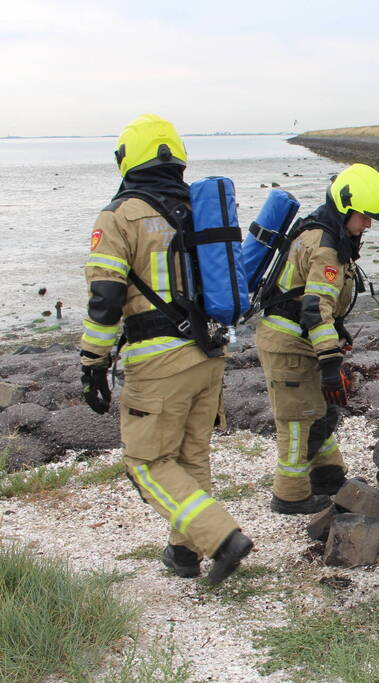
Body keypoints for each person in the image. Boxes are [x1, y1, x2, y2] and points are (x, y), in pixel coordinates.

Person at [80, 113, 251, 584]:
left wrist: (93, 362)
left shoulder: (118, 217)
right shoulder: (199, 209)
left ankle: (221, 538)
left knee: (147, 462)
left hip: (158, 362)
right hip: (210, 354)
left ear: (127, 160)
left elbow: (105, 299)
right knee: (191, 456)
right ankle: (184, 554)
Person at [255, 163, 379, 514]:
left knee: (319, 412)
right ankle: (290, 495)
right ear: (345, 207)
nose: (368, 224)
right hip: (289, 345)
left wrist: (334, 341)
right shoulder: (326, 246)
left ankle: (329, 477)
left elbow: (317, 304)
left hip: (301, 341)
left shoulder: (330, 234)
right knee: (297, 421)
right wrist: (331, 362)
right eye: (364, 217)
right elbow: (316, 308)